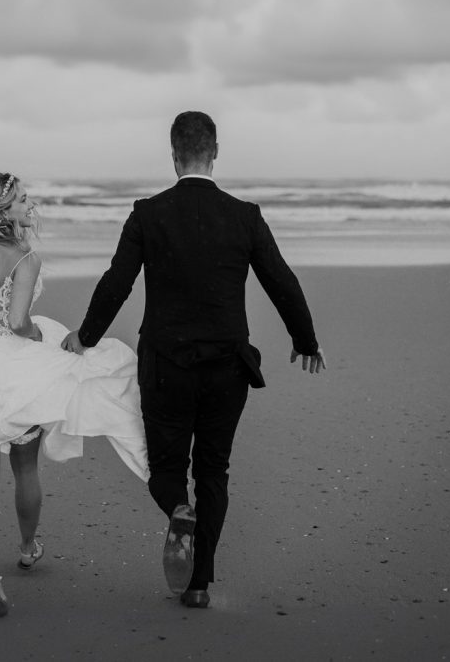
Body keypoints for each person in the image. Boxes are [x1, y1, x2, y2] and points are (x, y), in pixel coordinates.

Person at [62, 111, 326, 609]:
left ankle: (177, 510)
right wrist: (305, 340)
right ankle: (200, 583)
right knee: (214, 471)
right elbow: (281, 280)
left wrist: (86, 335)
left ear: (173, 154)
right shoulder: (244, 216)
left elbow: (117, 281)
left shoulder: (148, 213)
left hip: (166, 367)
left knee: (165, 468)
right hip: (229, 368)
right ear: (216, 151)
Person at [0, 172, 149, 617]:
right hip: (14, 371)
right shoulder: (23, 257)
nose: (30, 205)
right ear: (3, 210)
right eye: (22, 199)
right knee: (26, 468)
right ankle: (29, 545)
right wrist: (39, 337)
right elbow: (18, 323)